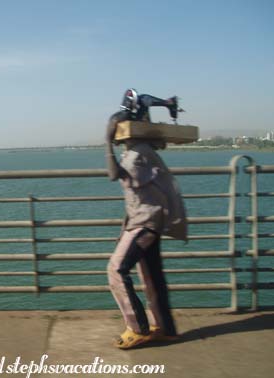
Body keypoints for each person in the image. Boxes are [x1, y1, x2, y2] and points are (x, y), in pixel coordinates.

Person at [105, 89, 188, 349]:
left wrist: (106, 142)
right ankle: (167, 329)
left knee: (116, 270)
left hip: (145, 223)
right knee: (152, 276)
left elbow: (113, 174)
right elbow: (137, 192)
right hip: (148, 221)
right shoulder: (140, 150)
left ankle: (138, 328)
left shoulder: (138, 154)